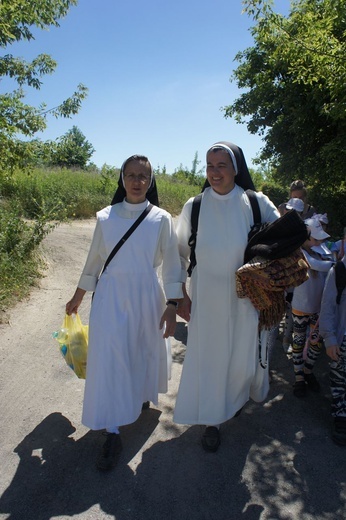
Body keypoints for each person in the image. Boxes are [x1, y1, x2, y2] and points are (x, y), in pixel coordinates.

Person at [66, 154, 183, 471]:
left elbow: (172, 266)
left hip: (146, 297)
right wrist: (77, 297)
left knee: (140, 352)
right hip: (111, 297)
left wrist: (172, 306)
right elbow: (93, 262)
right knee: (112, 361)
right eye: (130, 175)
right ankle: (114, 432)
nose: (136, 181)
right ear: (121, 178)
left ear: (151, 180)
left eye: (143, 176)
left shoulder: (161, 219)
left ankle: (139, 395)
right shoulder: (105, 217)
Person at [173, 141, 279, 452]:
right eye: (209, 166)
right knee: (211, 358)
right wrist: (180, 296)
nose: (215, 172)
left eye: (222, 165)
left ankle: (233, 400)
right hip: (206, 295)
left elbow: (283, 241)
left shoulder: (256, 202)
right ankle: (212, 420)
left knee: (242, 359)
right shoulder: (195, 205)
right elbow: (179, 256)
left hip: (247, 296)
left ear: (236, 169)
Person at [291, 218, 333, 398]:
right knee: (299, 342)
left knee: (316, 342)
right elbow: (317, 266)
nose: (319, 242)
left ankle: (308, 371)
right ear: (305, 238)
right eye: (315, 239)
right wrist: (337, 265)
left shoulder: (322, 250)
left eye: (320, 239)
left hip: (319, 308)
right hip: (301, 307)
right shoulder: (298, 252)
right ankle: (299, 377)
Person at [320, 254, 346, 445]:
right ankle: (341, 417)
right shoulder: (338, 272)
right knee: (339, 381)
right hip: (341, 339)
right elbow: (327, 307)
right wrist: (329, 338)